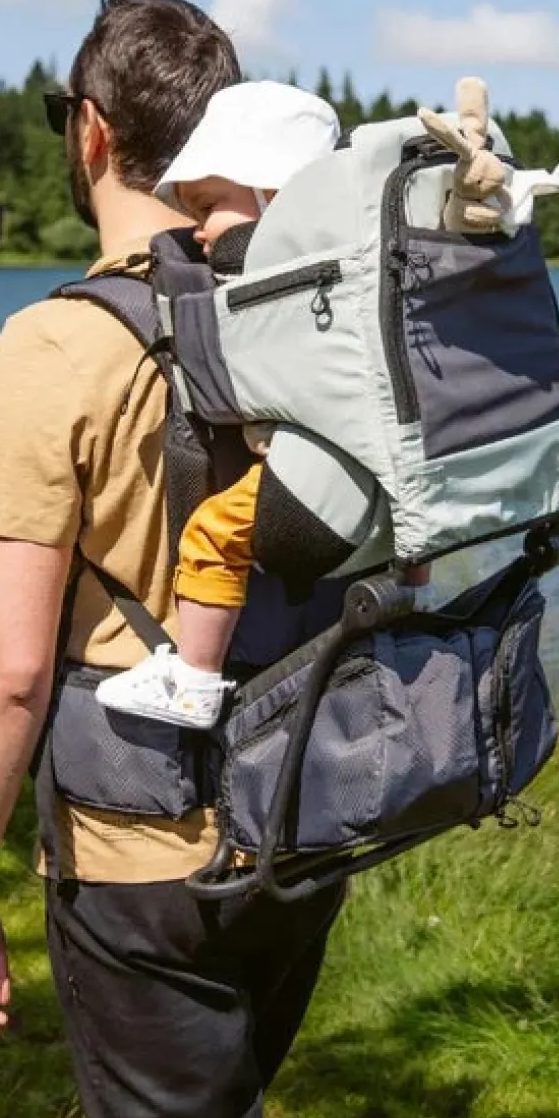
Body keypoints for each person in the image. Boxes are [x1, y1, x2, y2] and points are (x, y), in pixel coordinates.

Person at [0, 0, 347, 1118]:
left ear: (91, 130)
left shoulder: (55, 347)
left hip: (136, 860)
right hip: (300, 821)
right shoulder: (305, 318)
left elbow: (9, 669)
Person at [95, 80, 341, 729]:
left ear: (277, 198)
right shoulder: (346, 271)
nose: (196, 229)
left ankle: (197, 678)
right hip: (377, 475)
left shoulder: (283, 287)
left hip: (323, 471)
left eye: (208, 206)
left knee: (208, 534)